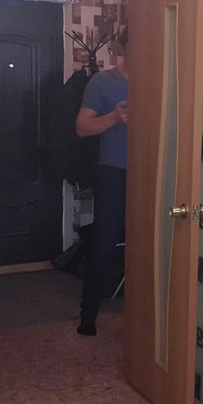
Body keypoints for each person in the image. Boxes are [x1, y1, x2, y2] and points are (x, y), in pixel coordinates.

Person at [74, 27, 128, 336]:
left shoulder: (161, 80)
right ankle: (89, 315)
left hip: (153, 171)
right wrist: (114, 118)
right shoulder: (103, 82)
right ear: (123, 47)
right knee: (104, 242)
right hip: (113, 170)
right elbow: (82, 127)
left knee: (151, 242)